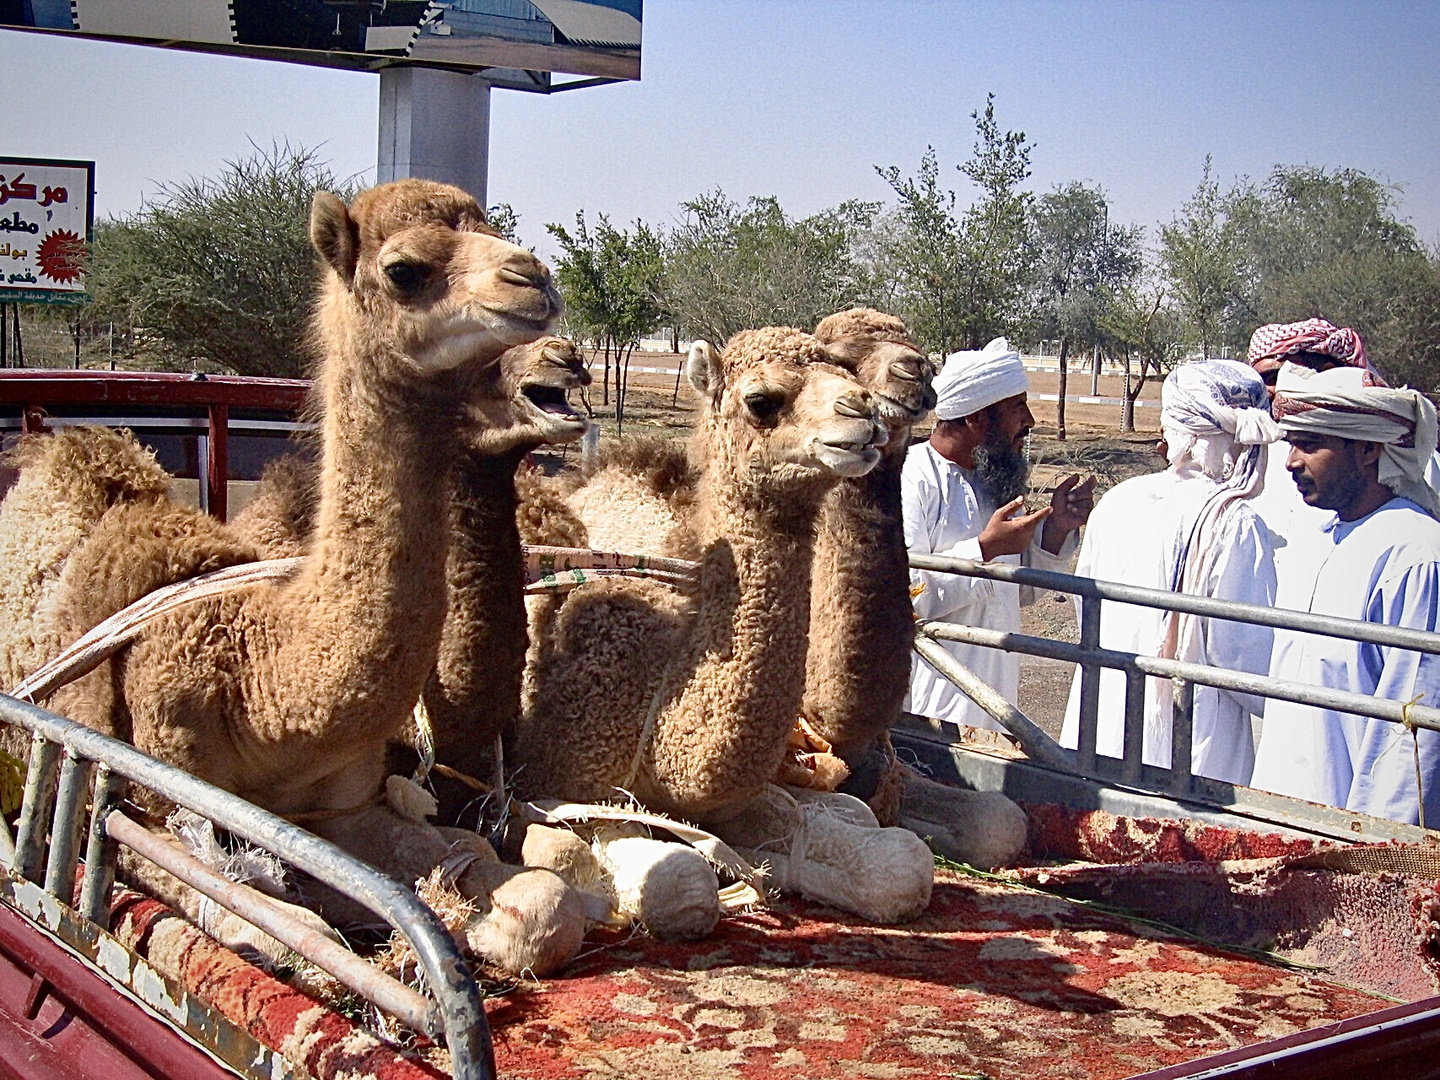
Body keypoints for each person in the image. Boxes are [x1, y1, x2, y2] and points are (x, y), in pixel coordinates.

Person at [1058, 360, 1280, 784]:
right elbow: (1240, 655)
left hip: (1103, 716)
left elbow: (1087, 612)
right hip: (1192, 741)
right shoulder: (1234, 520)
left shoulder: (1120, 500)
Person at [1249, 361, 1440, 826]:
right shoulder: (1318, 537)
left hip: (1353, 833)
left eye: (1311, 444)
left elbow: (1413, 734)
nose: (1292, 460)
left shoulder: (1416, 555)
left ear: (1369, 451)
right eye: (1292, 442)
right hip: (1282, 812)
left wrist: (1376, 851)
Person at [903, 337, 1094, 733]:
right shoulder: (911, 477)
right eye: (1016, 407)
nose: (1029, 420)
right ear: (976, 419)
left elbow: (1018, 594)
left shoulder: (996, 481)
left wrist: (1055, 531)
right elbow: (902, 598)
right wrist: (985, 549)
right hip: (927, 709)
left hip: (994, 701)